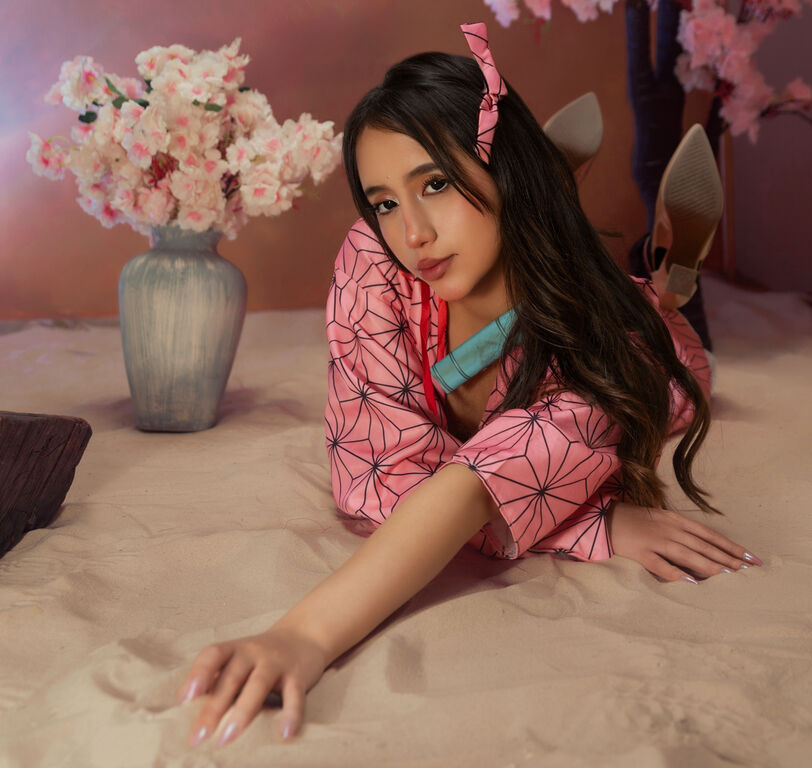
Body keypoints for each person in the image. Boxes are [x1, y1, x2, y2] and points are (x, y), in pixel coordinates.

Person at [176, 23, 763, 749]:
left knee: (682, 368)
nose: (413, 233)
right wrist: (589, 525)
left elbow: (466, 490)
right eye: (385, 201)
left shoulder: (602, 358)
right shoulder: (374, 258)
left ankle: (668, 283)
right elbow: (375, 479)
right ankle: (544, 203)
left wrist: (302, 636)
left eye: (435, 184)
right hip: (518, 280)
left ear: (499, 172)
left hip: (641, 344)